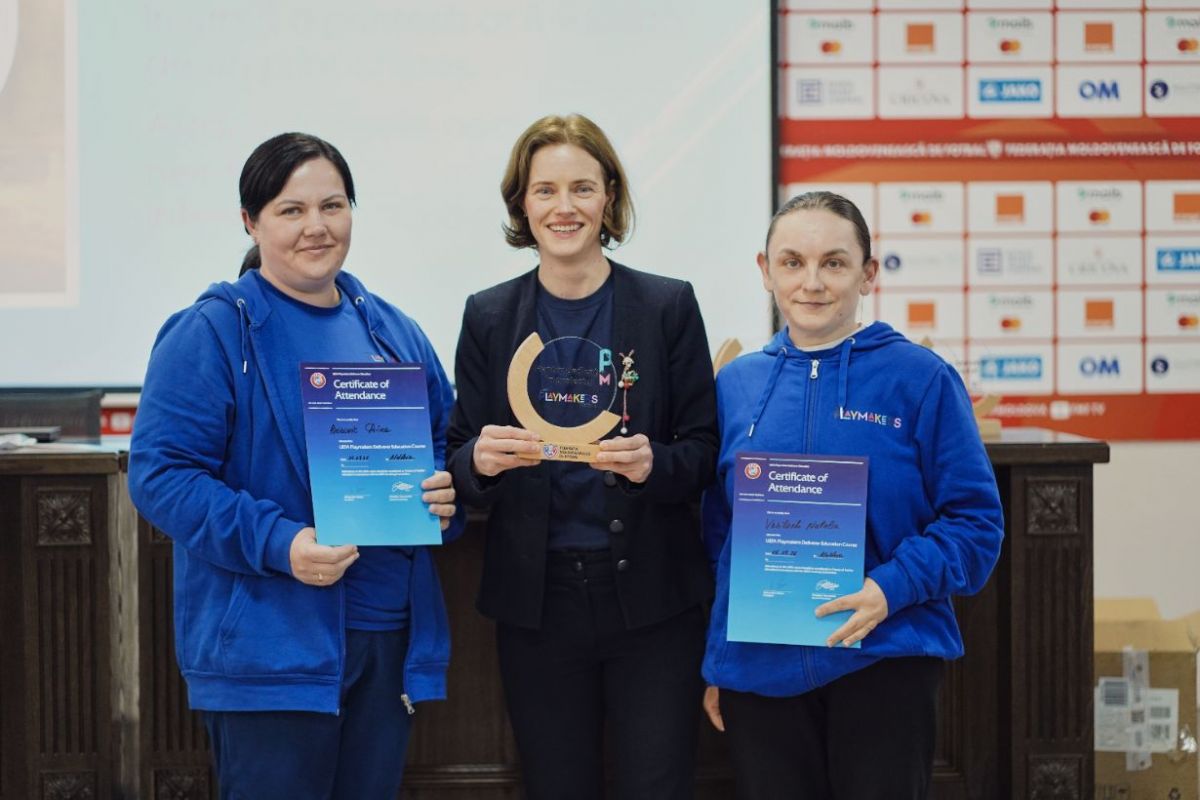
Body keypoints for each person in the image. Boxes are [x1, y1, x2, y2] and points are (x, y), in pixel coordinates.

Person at [128, 132, 461, 800]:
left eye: (333, 206)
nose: (317, 226)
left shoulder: (394, 331)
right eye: (291, 210)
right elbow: (161, 475)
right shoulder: (211, 332)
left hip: (386, 641)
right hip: (269, 651)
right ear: (251, 222)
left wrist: (444, 498)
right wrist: (280, 544)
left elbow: (442, 450)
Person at [446, 113, 718, 799]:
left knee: (658, 786)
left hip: (654, 601)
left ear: (609, 198)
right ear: (521, 203)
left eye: (582, 188)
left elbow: (703, 452)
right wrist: (479, 461)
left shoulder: (667, 306)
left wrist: (654, 466)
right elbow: (456, 460)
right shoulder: (488, 316)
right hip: (538, 604)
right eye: (545, 190)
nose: (563, 207)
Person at [700, 191, 1004, 800]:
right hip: (761, 672)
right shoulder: (735, 386)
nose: (812, 282)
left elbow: (975, 525)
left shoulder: (921, 379)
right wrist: (719, 661)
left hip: (883, 660)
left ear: (867, 274)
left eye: (834, 263)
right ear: (765, 271)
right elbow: (719, 538)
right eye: (792, 262)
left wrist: (890, 589)